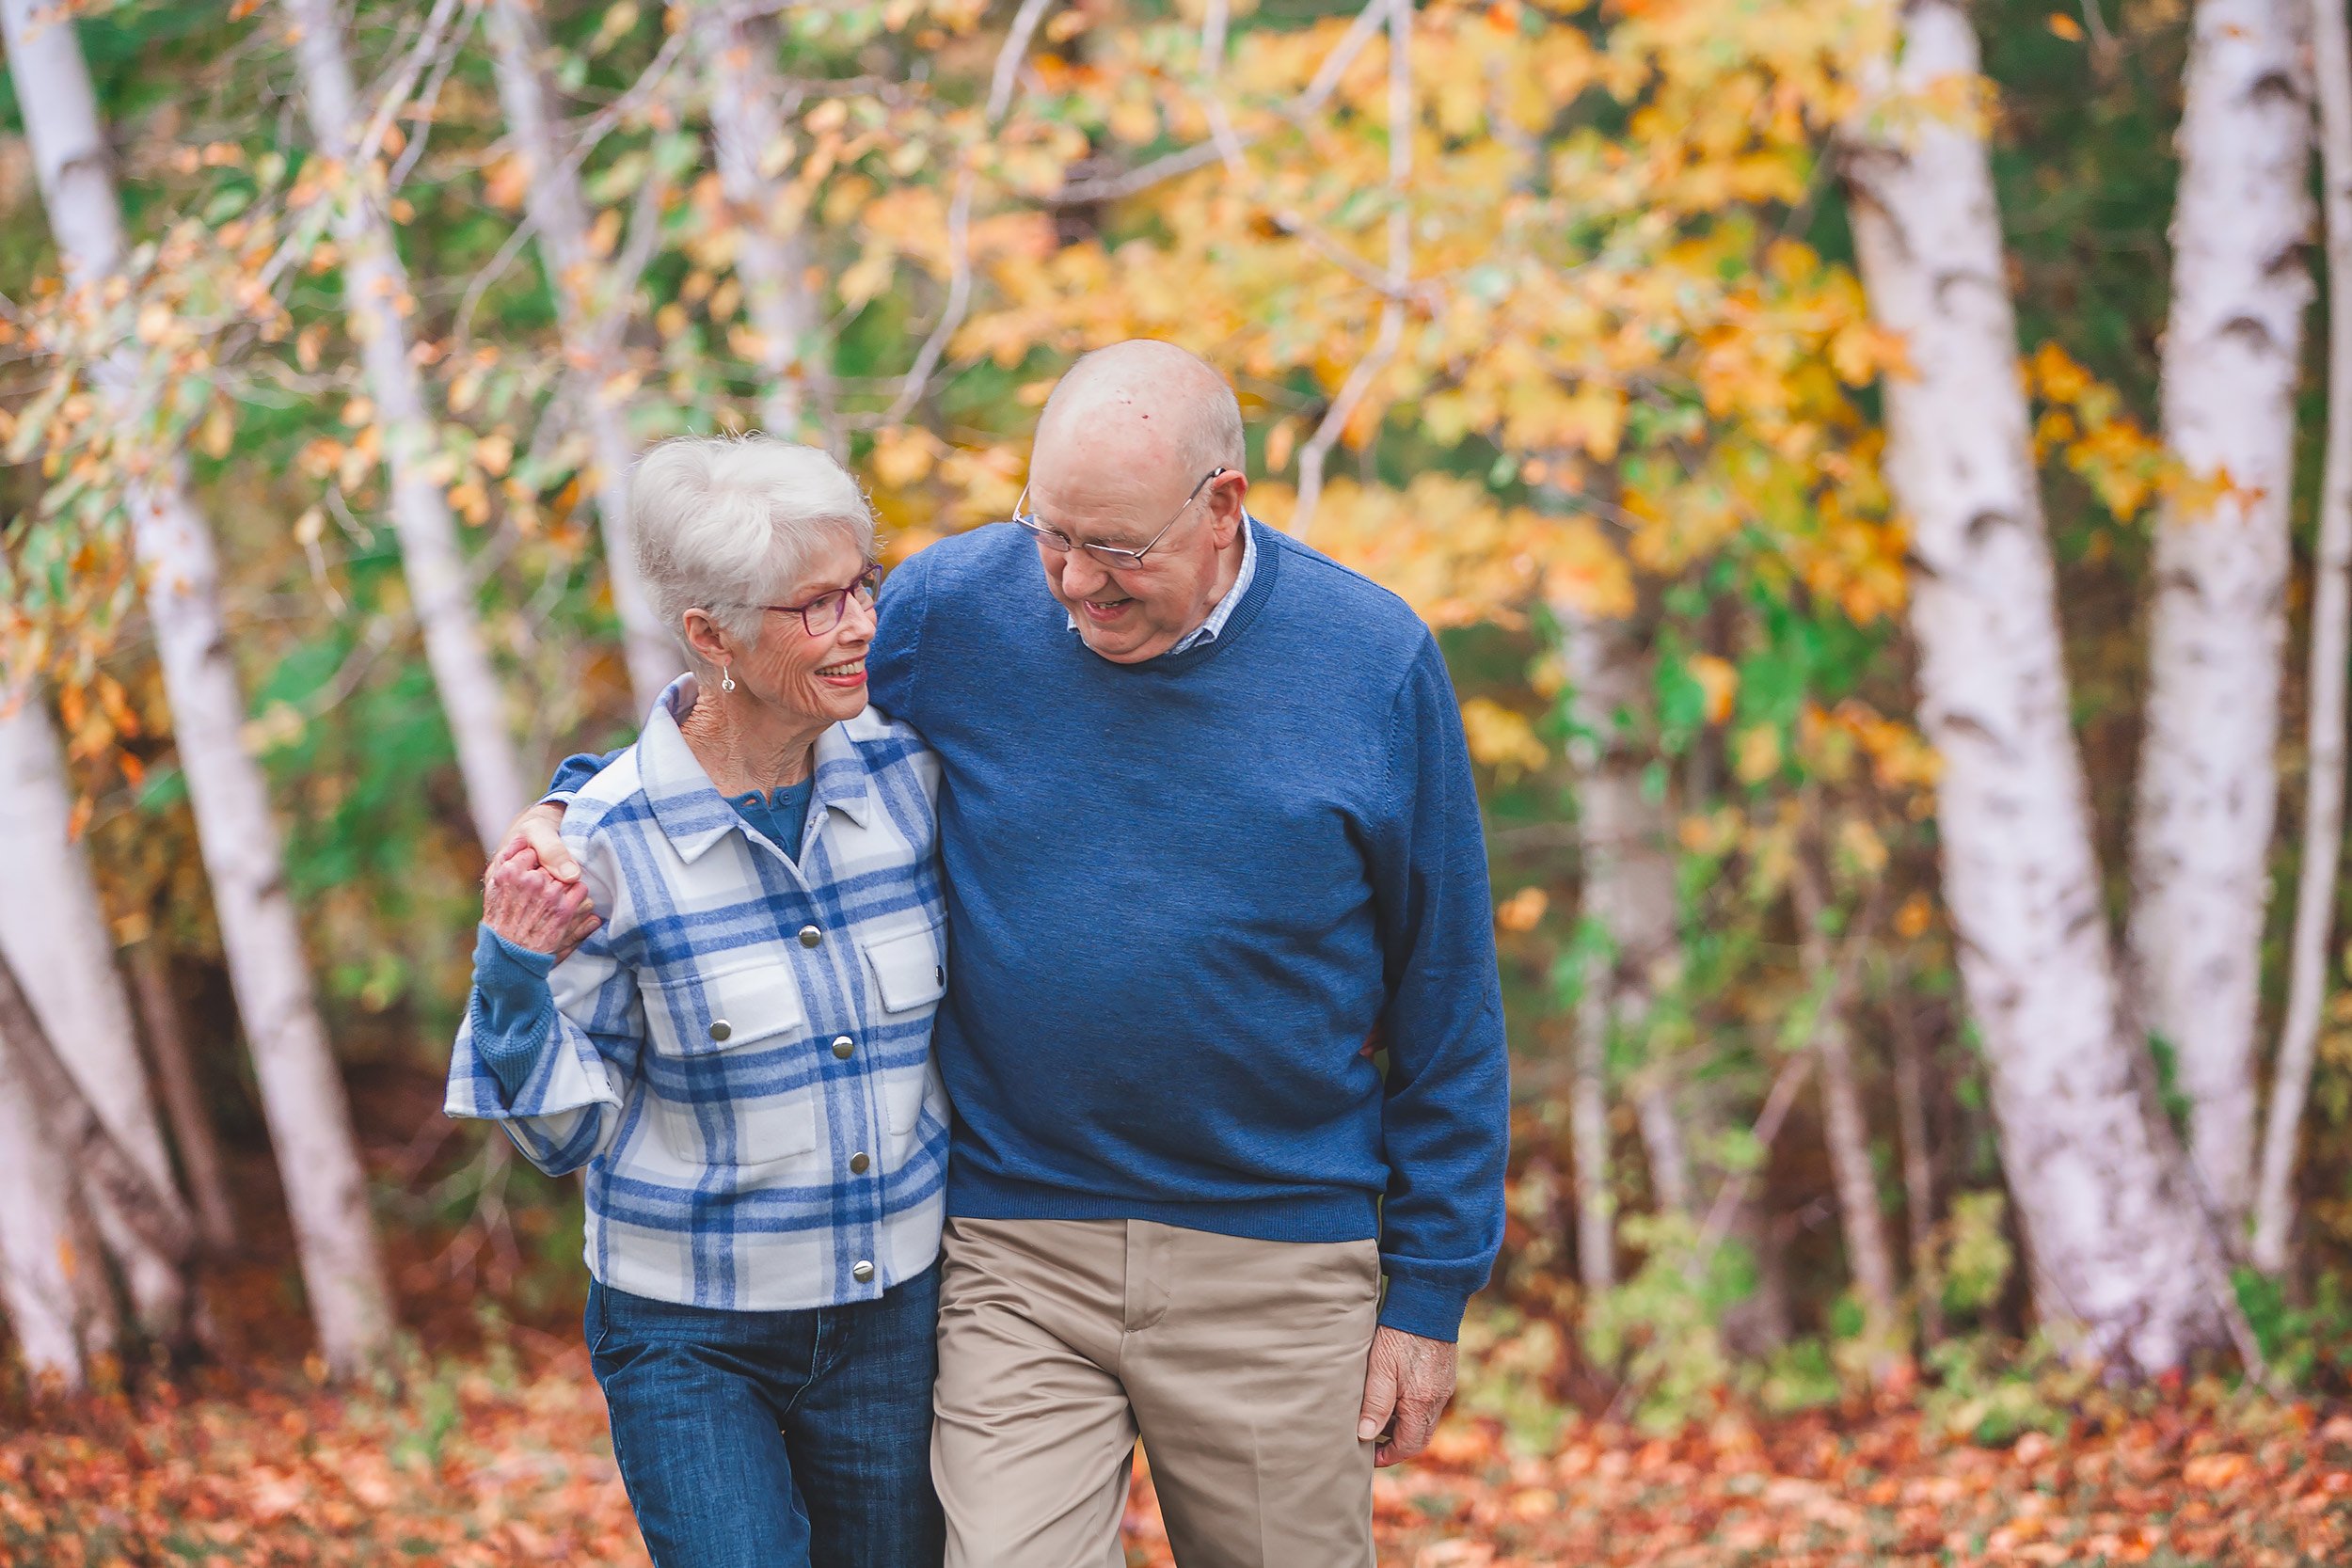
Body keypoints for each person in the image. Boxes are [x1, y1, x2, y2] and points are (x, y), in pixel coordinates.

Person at [498, 340, 1511, 1568]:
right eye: (1051, 531)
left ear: (1224, 505)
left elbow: (1447, 992)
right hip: (1015, 1244)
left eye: (1118, 550)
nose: (1075, 582)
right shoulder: (953, 608)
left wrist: (1427, 1290)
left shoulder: (1372, 660)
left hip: (1277, 1252)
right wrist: (571, 803)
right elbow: (747, 713)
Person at [445, 436, 950, 1568]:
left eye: (862, 584)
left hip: (894, 1320)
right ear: (712, 635)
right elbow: (563, 1132)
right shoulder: (605, 846)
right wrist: (513, 971)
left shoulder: (914, 774)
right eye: (815, 605)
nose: (860, 624)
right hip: (691, 1334)